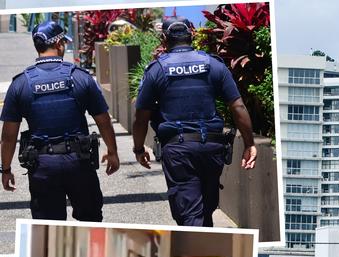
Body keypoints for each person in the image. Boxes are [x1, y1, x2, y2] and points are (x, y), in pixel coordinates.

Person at [132, 16, 257, 227]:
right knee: (205, 210)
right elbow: (238, 107)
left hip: (178, 152)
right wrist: (249, 144)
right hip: (212, 148)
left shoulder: (156, 70)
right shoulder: (214, 65)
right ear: (193, 34)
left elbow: (141, 117)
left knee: (190, 215)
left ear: (164, 38)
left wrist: (138, 148)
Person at [0, 20, 119, 220]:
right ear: (59, 44)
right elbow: (103, 120)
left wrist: (5, 169)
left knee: (49, 231)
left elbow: (8, 136)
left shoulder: (21, 84)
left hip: (42, 165)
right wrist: (113, 152)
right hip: (79, 162)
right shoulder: (80, 78)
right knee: (90, 224)